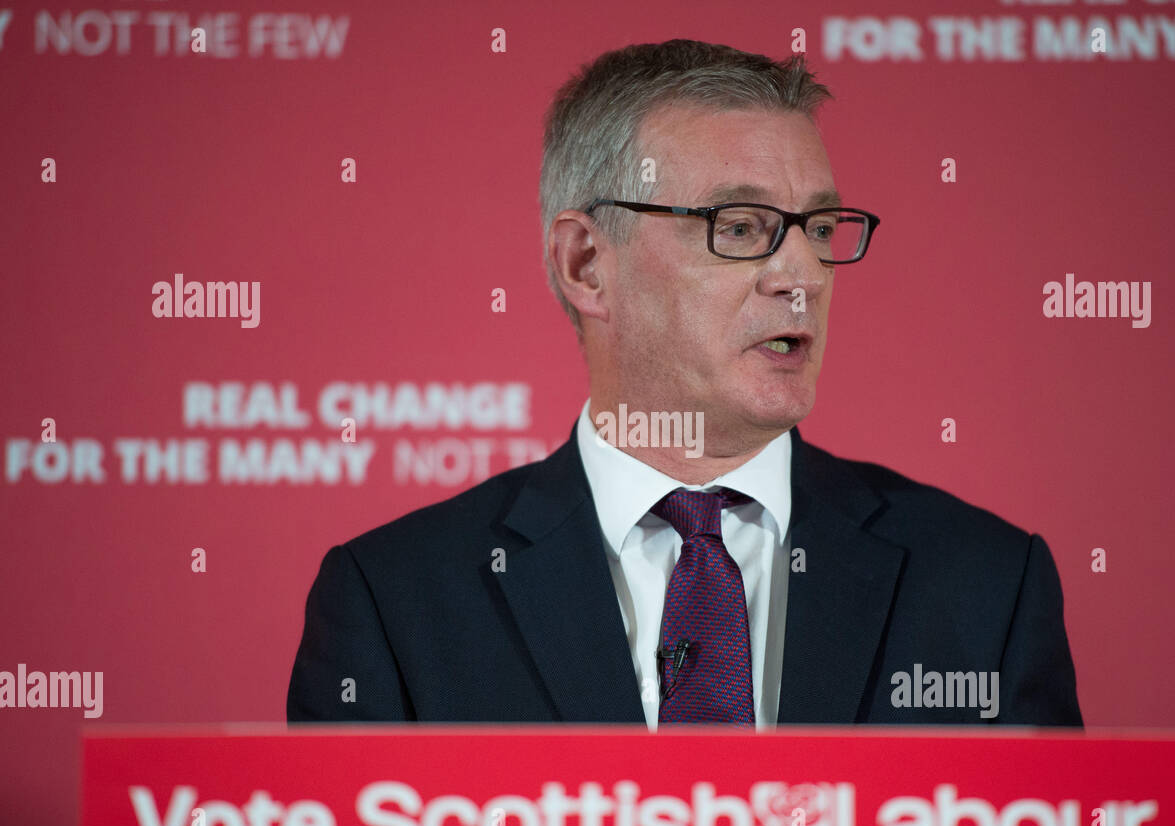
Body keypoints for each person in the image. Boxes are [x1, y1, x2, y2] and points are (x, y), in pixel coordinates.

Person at [287, 39, 1083, 728]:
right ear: (586, 266)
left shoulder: (987, 585)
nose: (801, 274)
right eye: (740, 227)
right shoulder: (395, 601)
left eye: (816, 229)